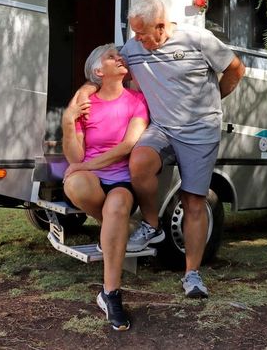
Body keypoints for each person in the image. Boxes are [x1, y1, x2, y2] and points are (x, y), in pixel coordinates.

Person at [77, 0, 245, 298]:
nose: (136, 40)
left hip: (200, 132)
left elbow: (236, 69)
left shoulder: (198, 40)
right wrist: (85, 92)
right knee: (139, 161)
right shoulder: (134, 48)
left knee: (193, 201)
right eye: (134, 33)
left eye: (142, 33)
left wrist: (211, 102)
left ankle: (192, 274)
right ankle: (151, 225)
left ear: (160, 25)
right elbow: (104, 69)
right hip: (163, 128)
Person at [62, 43, 149, 331]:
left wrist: (86, 165)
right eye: (111, 56)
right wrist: (68, 121)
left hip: (120, 178)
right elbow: (75, 158)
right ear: (99, 71)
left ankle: (110, 294)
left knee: (118, 204)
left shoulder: (137, 100)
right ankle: (114, 228)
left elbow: (128, 145)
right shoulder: (85, 104)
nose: (119, 57)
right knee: (76, 184)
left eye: (119, 55)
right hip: (92, 178)